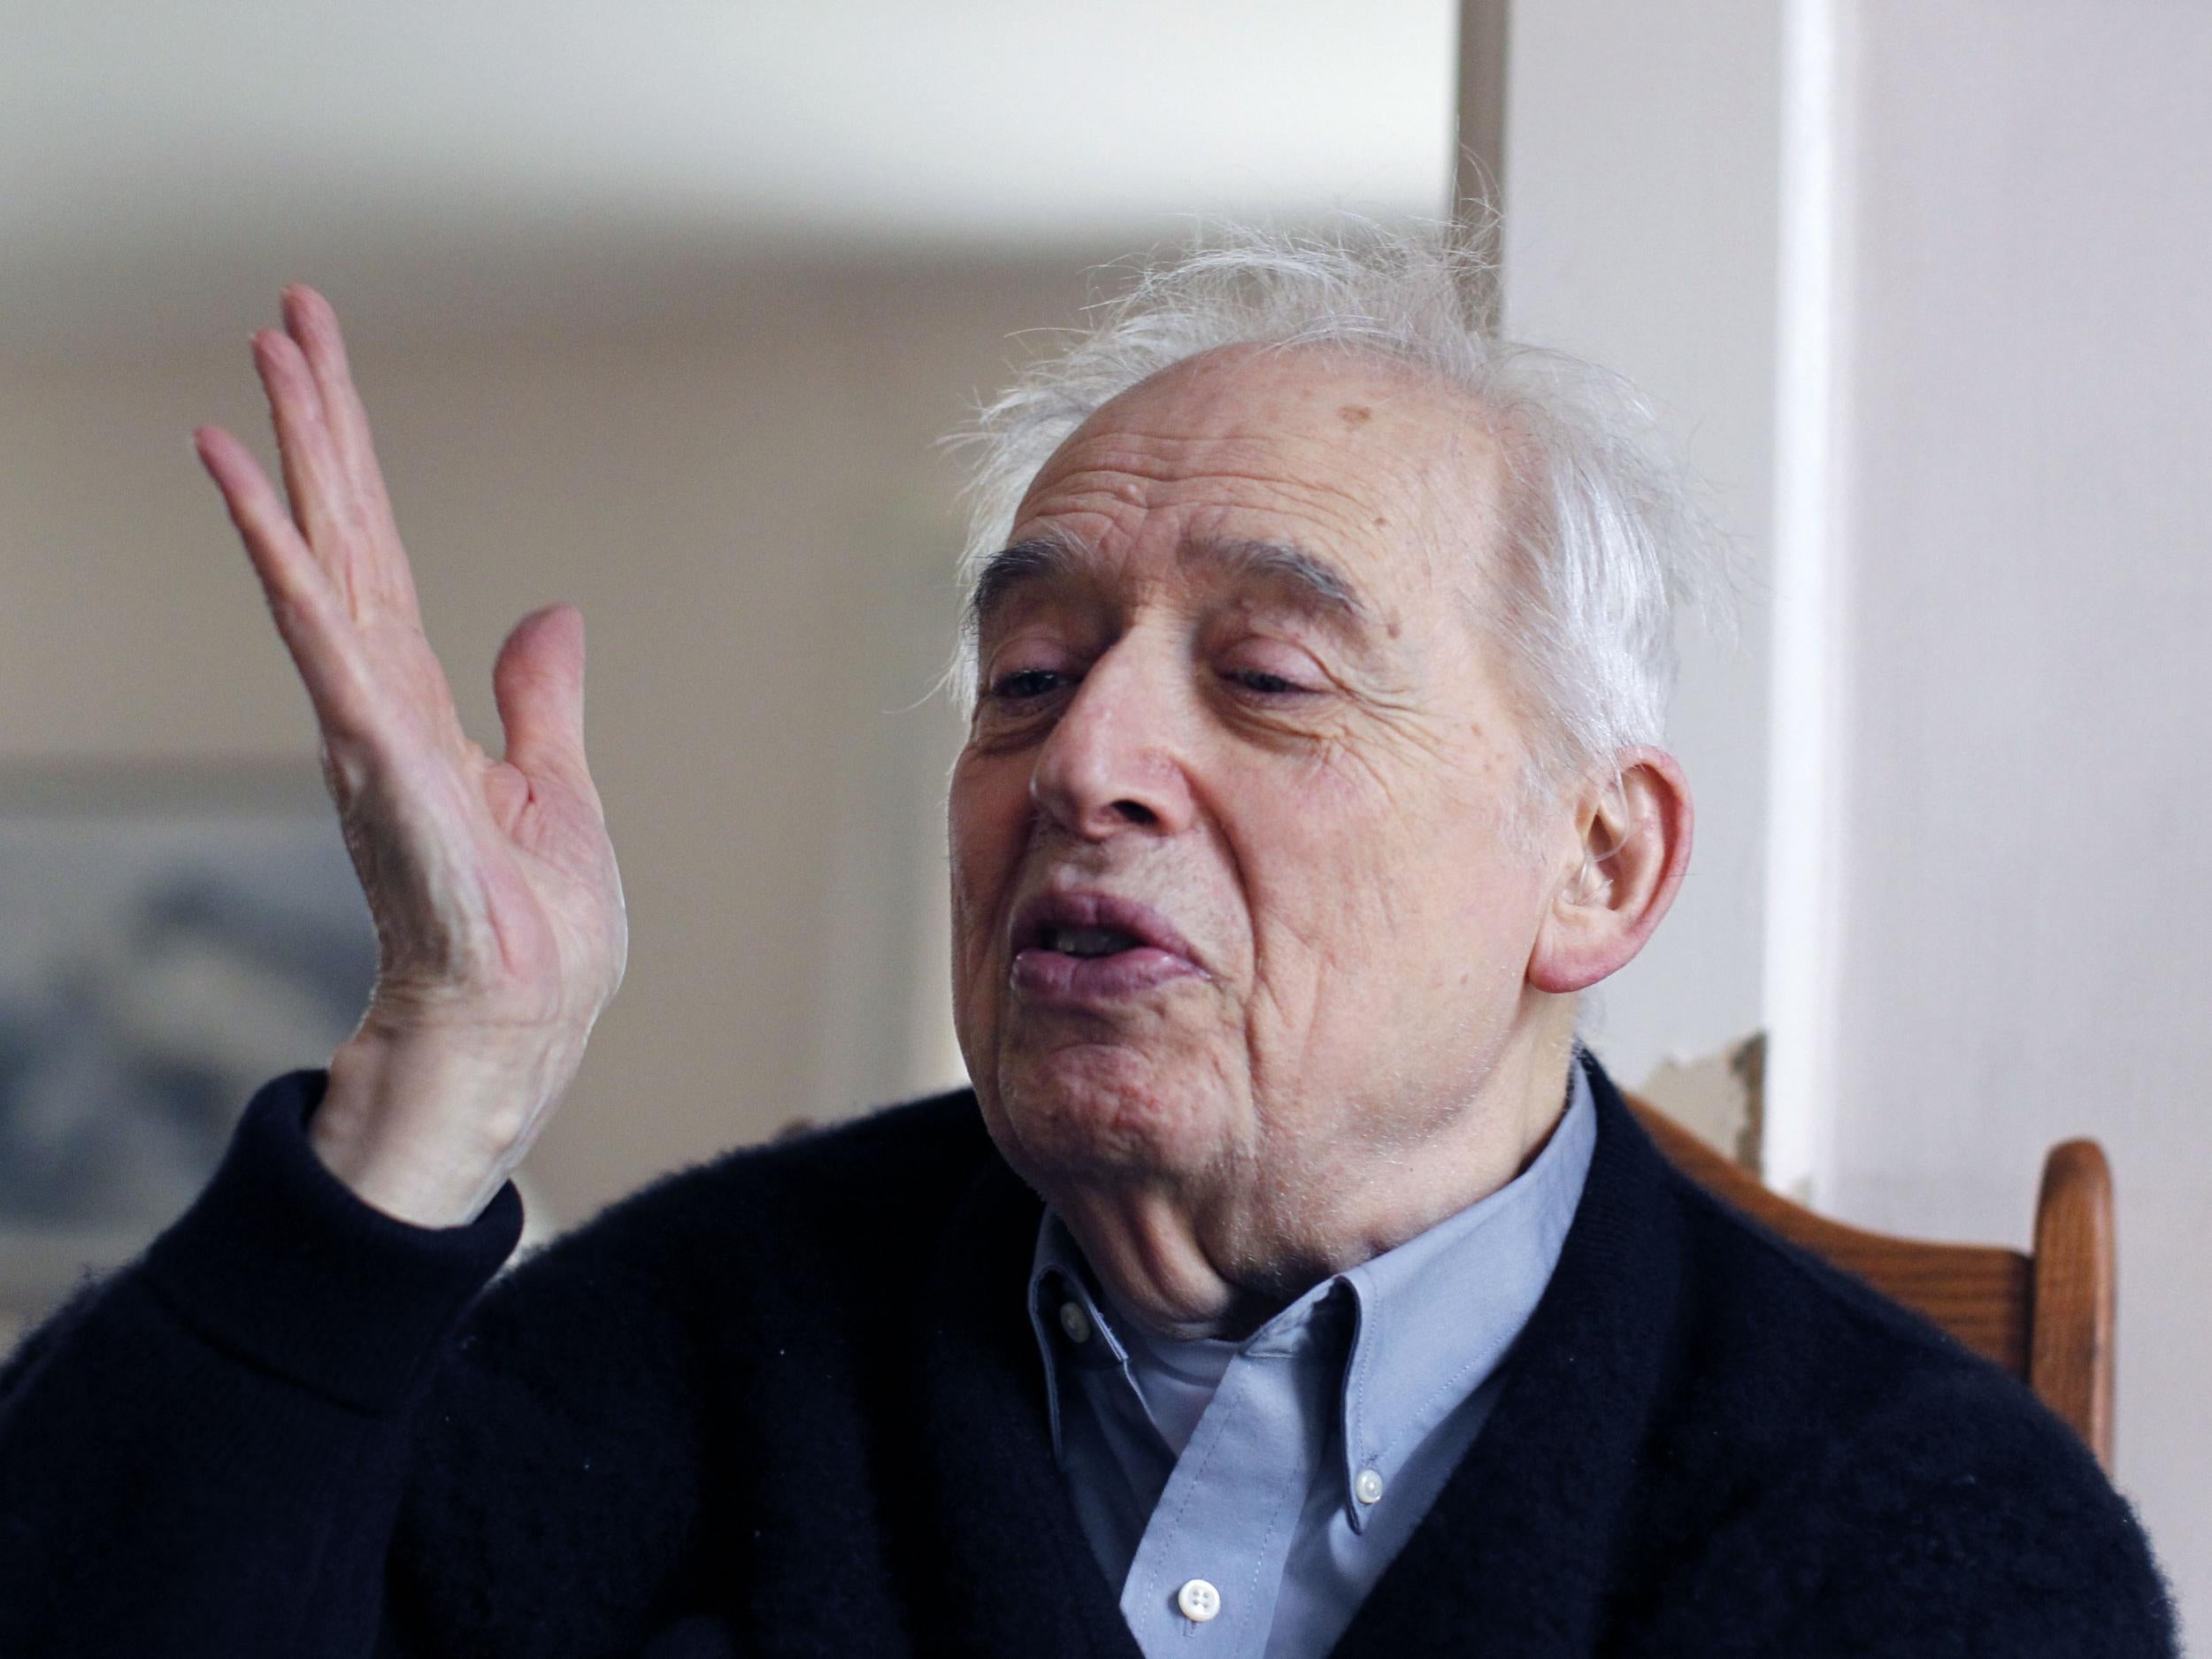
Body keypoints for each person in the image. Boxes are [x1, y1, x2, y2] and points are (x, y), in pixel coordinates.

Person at [0, 224, 2180, 1658]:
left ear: (1593, 867)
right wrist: (438, 1070)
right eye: (1027, 672)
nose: (1083, 761)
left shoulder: (1907, 1534)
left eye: (1269, 677)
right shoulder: (680, 1340)